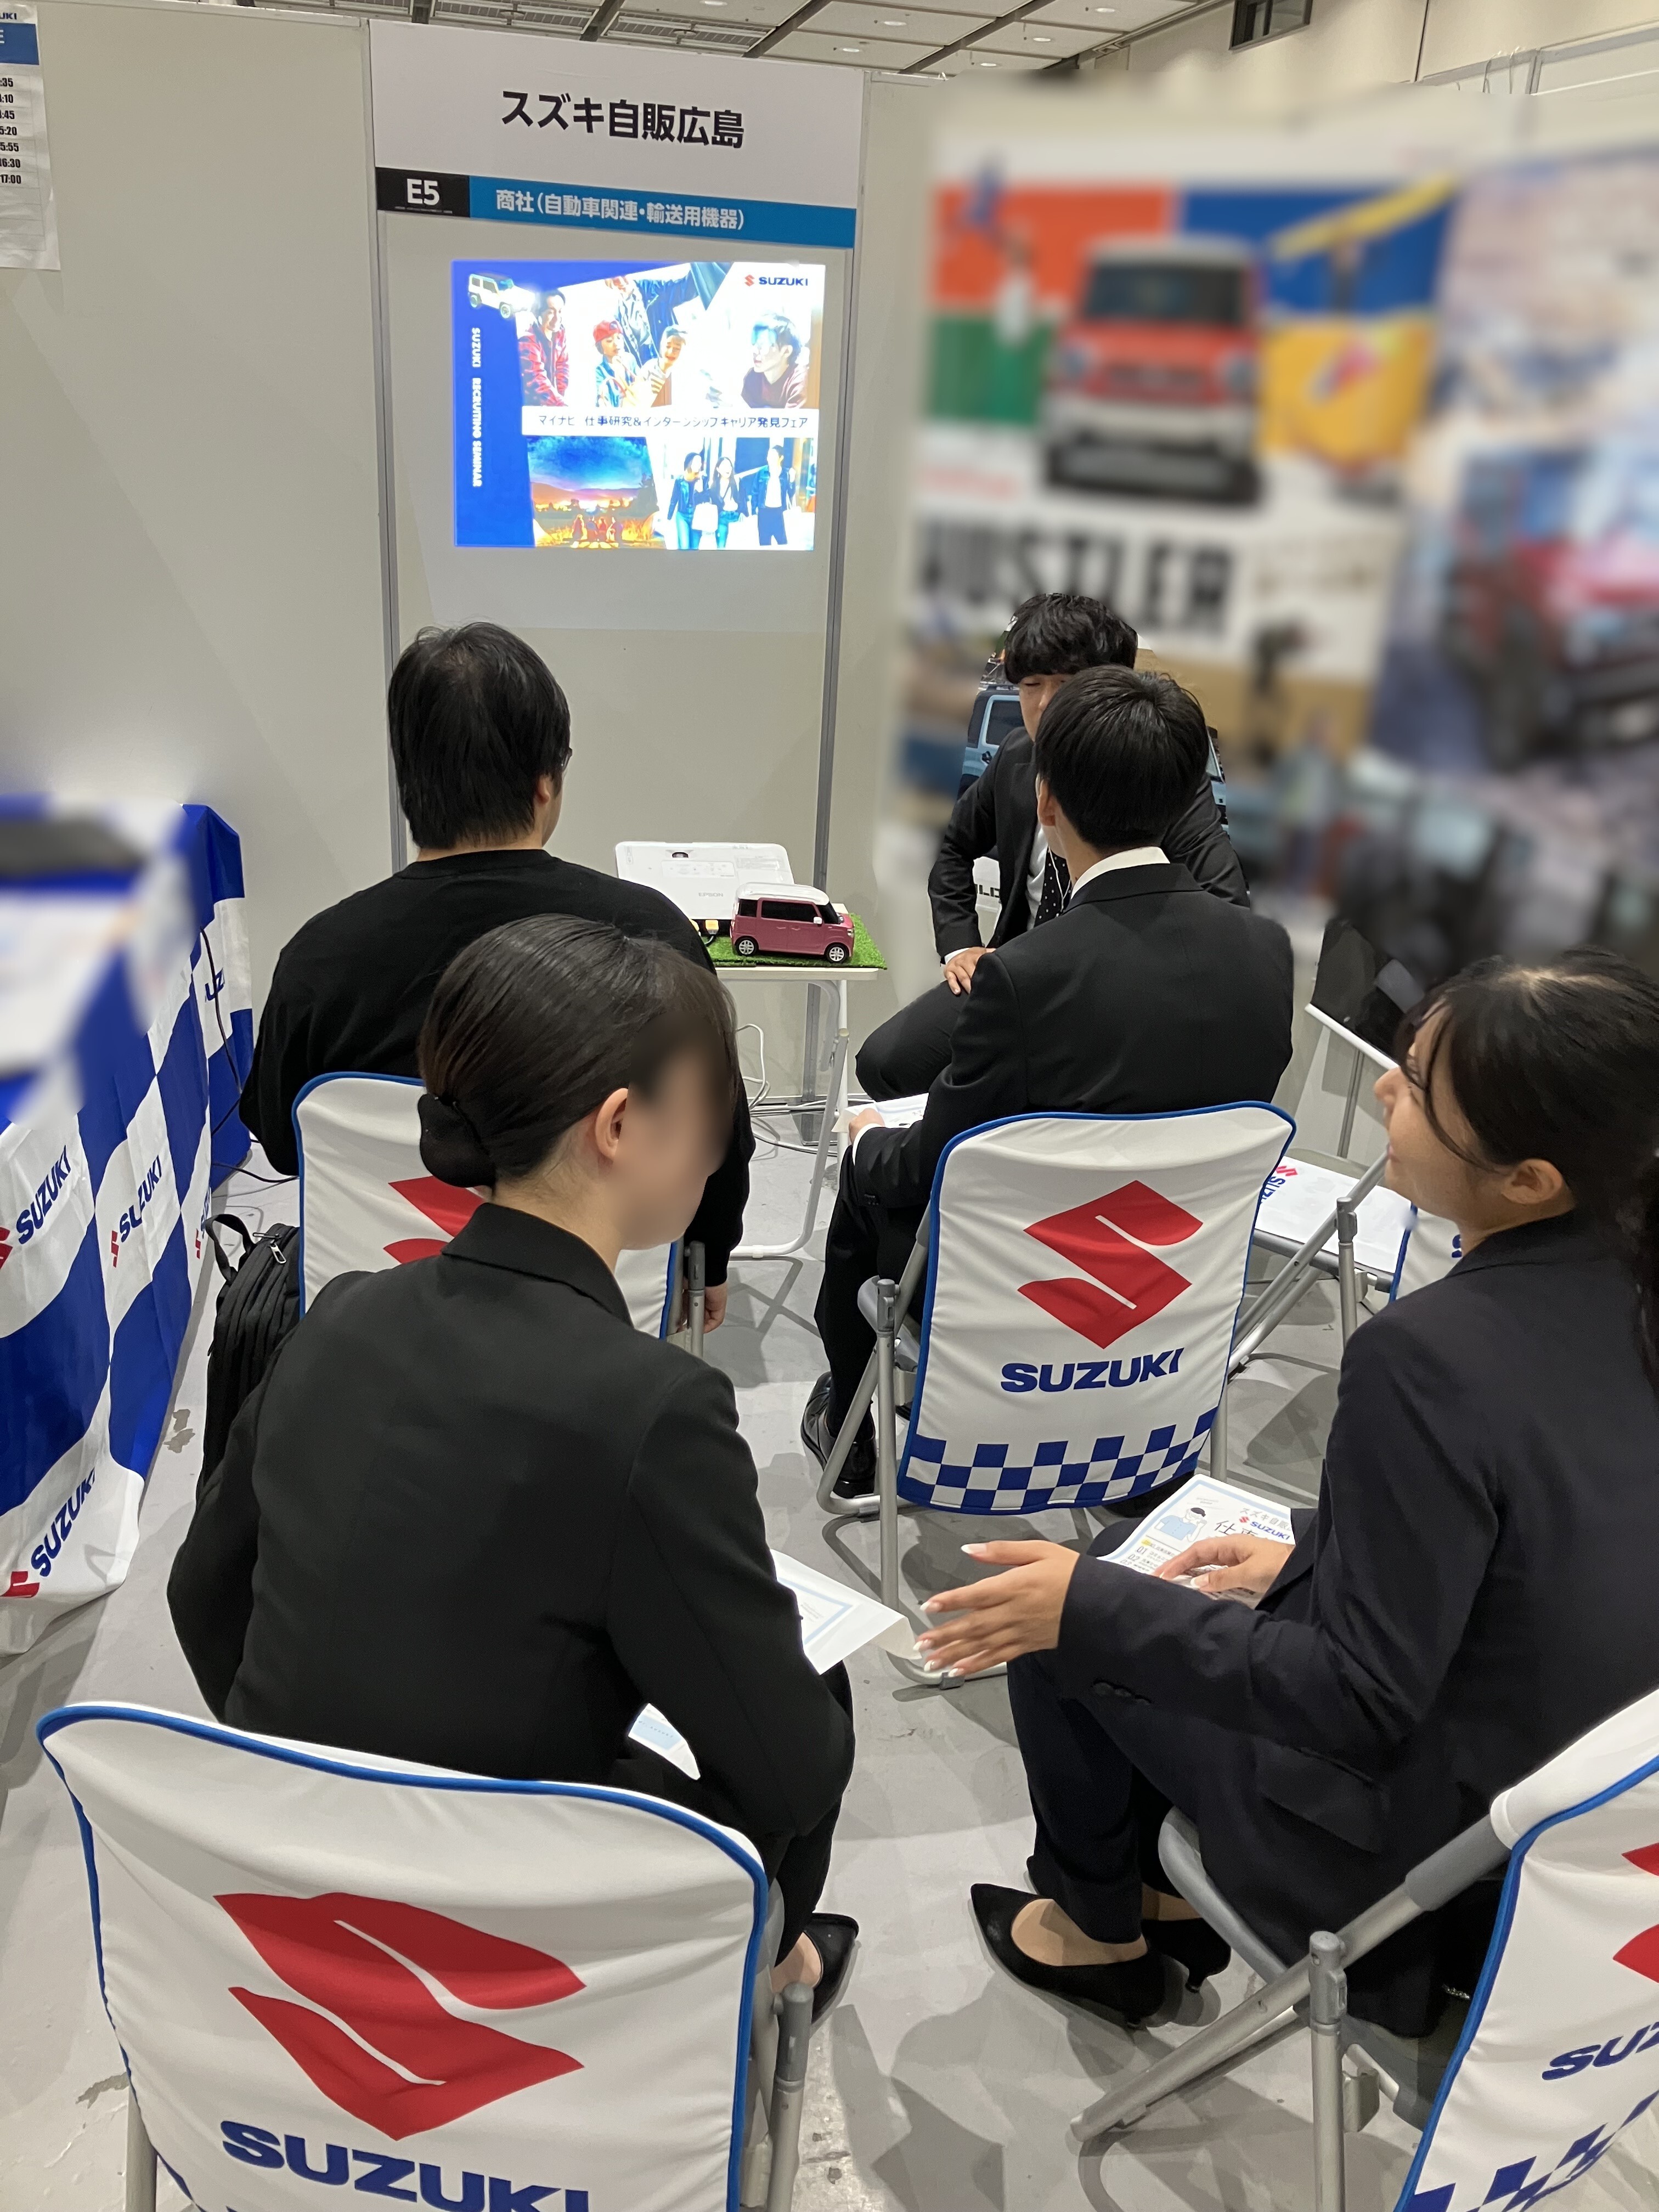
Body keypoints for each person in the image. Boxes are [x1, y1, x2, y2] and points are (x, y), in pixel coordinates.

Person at [917, 947, 1659, 2033]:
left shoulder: (1432, 1355)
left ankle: (1098, 1933)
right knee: (1142, 1576)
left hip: (1420, 1882)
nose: (1383, 1089)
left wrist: (1083, 1605)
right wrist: (1322, 1550)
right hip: (1578, 1844)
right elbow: (1553, 1532)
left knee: (1071, 1617)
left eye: (1420, 1085)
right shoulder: (1620, 1296)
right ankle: (1163, 1904)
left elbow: (1357, 1700)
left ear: (1530, 1179)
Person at [172, 917, 857, 2006]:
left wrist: (319, 1779)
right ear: (621, 1126)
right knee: (820, 1693)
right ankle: (779, 1964)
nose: (720, 1149)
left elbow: (201, 1595)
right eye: (713, 1113)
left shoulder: (339, 1315)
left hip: (297, 1889)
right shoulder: (654, 1407)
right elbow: (787, 1770)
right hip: (518, 1924)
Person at [803, 665, 1293, 1498]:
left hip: (1016, 1286)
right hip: (1169, 1287)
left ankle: (850, 1436)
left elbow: (934, 1164)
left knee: (867, 1171)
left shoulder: (1023, 978)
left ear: (1047, 801)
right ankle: (1130, 1451)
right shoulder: (1266, 952)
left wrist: (870, 1143)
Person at [240, 622, 753, 1312]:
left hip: (374, 1325)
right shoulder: (652, 939)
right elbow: (714, 1141)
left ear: (409, 784)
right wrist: (710, 1261)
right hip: (595, 1326)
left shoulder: (319, 959)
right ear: (546, 783)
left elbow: (284, 1144)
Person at [857, 591, 1251, 1101]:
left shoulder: (1159, 776)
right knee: (887, 1064)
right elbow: (953, 848)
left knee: (1039, 1094)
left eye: (1065, 684)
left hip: (1117, 990)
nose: (1044, 705)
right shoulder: (1017, 757)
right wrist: (961, 946)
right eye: (1031, 685)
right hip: (1016, 968)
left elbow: (1226, 906)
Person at [742, 315, 808, 409]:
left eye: (763, 345)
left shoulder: (800, 380)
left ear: (786, 351)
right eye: (754, 344)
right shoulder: (752, 378)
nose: (755, 351)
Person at [519, 291, 568, 408]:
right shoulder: (528, 339)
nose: (557, 318)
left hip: (548, 403)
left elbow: (563, 366)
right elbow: (535, 377)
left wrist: (560, 395)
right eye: (551, 312)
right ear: (539, 313)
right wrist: (559, 404)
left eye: (560, 312)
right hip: (528, 405)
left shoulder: (560, 333)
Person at [748, 443, 794, 548]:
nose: (769, 459)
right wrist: (754, 510)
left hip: (778, 512)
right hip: (764, 512)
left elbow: (791, 493)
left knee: (782, 543)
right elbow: (755, 492)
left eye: (773, 456)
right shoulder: (762, 473)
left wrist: (792, 480)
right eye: (769, 456)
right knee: (764, 543)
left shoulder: (786, 474)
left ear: (781, 458)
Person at [593, 320, 639, 410]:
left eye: (619, 338)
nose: (616, 343)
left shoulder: (630, 359)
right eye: (610, 341)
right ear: (600, 347)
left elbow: (641, 382)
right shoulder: (600, 371)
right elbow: (602, 399)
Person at [665, 453, 706, 551]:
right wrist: (669, 516)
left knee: (694, 548)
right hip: (682, 515)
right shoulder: (680, 480)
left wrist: (701, 491)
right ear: (689, 463)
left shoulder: (703, 479)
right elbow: (674, 499)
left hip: (697, 516)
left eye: (700, 462)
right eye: (696, 462)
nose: (699, 464)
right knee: (684, 546)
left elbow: (707, 499)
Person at [710, 454, 743, 548]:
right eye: (724, 466)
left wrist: (743, 512)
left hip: (735, 516)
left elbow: (743, 499)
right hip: (722, 517)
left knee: (735, 547)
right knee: (721, 546)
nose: (728, 468)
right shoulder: (714, 485)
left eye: (729, 466)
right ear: (718, 469)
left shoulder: (737, 481)